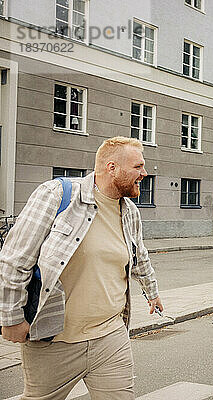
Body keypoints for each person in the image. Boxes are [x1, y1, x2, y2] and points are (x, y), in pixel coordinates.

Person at [0, 136, 163, 399]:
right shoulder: (57, 195)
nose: (144, 173)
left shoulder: (130, 211)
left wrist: (152, 292)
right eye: (138, 167)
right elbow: (15, 258)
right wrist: (11, 317)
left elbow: (139, 256)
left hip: (110, 336)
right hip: (54, 340)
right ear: (112, 168)